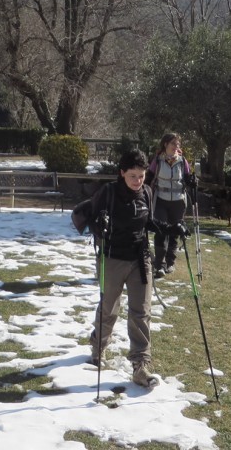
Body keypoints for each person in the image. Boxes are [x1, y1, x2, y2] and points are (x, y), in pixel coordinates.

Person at [87, 148, 188, 388]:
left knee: (141, 312)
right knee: (109, 307)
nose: (138, 181)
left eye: (142, 175)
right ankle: (98, 347)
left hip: (140, 259)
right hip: (112, 258)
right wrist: (99, 224)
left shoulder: (147, 192)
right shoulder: (108, 193)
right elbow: (91, 218)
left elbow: (149, 222)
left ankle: (140, 365)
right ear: (122, 173)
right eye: (133, 175)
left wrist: (171, 228)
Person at [147, 133, 192, 278]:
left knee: (175, 231)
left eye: (177, 144)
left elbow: (188, 177)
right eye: (173, 143)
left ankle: (170, 262)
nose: (176, 147)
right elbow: (149, 176)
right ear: (165, 144)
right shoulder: (158, 160)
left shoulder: (182, 161)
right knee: (161, 230)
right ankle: (159, 265)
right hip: (161, 199)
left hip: (178, 201)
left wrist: (192, 180)